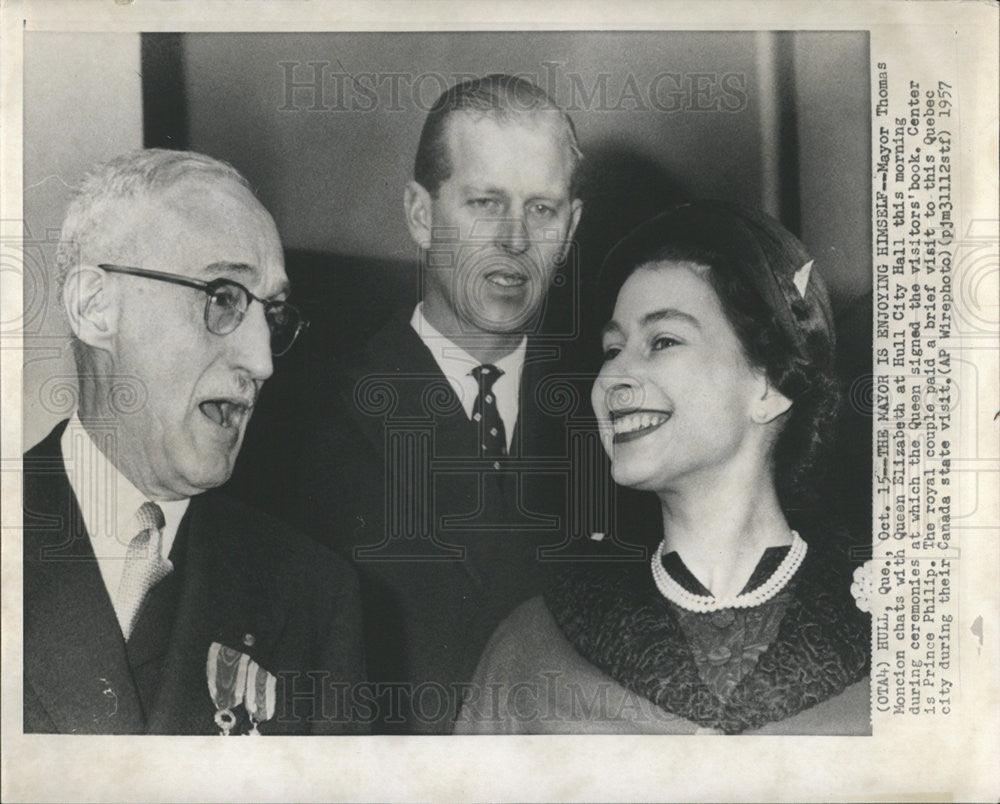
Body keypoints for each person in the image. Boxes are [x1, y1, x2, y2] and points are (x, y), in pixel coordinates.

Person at [456, 201, 871, 734]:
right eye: (611, 349)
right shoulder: (534, 651)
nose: (615, 378)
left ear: (769, 387)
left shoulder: (907, 638)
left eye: (663, 341)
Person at [23, 149, 366, 735]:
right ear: (95, 307)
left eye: (273, 314)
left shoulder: (313, 595)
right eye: (223, 296)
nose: (261, 363)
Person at [295, 74, 584, 732]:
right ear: (421, 215)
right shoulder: (305, 421)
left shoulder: (614, 422)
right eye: (485, 203)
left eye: (542, 209)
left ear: (570, 227)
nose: (515, 239)